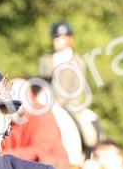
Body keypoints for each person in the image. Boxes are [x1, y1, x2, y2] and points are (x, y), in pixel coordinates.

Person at [39, 20, 100, 152]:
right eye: (54, 38)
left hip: (70, 104)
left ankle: (89, 153)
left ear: (67, 39)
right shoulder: (46, 60)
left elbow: (76, 87)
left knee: (89, 135)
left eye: (58, 38)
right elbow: (41, 84)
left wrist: (58, 104)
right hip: (47, 103)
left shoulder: (77, 60)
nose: (54, 41)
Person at [0, 79, 72, 169]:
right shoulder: (5, 119)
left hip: (49, 168)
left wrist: (3, 155)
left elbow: (39, 151)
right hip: (16, 167)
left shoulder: (41, 113)